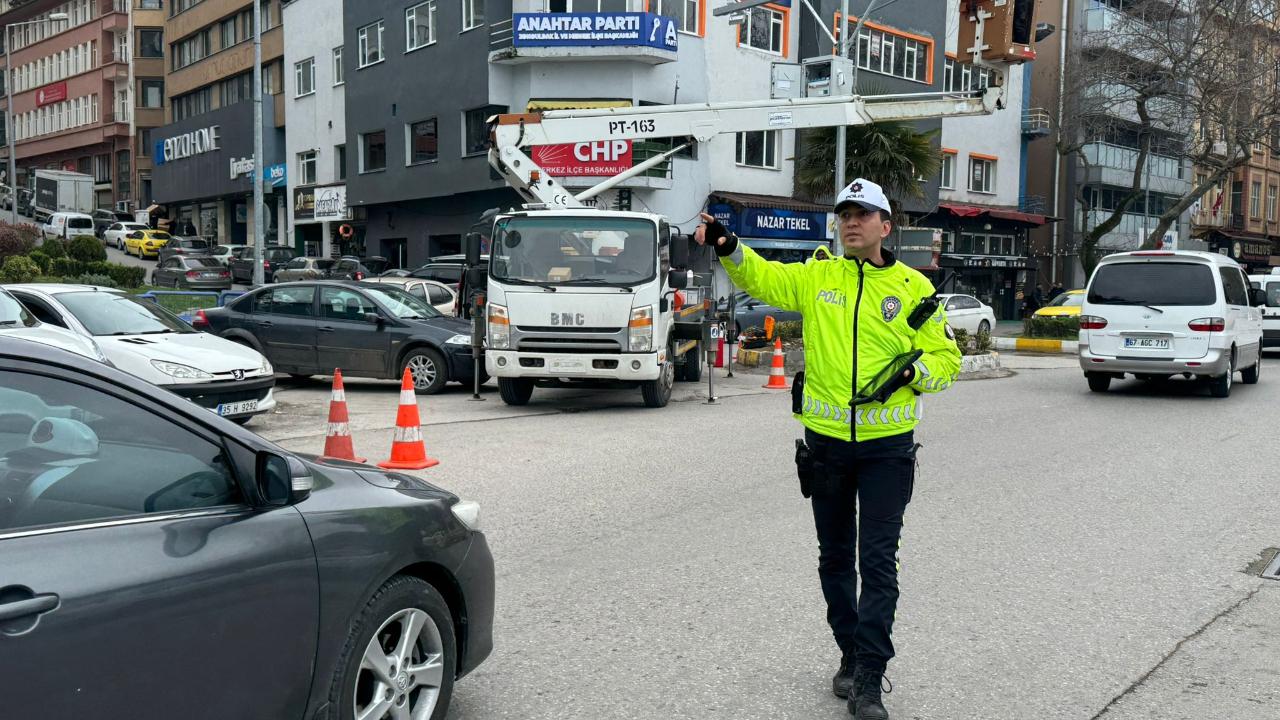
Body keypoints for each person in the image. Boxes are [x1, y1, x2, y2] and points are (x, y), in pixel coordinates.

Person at [695, 179, 960, 720]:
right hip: (828, 444)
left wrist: (915, 371)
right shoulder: (818, 277)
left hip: (888, 448)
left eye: (862, 214)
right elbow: (764, 276)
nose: (850, 222)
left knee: (878, 562)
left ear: (886, 226)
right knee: (835, 557)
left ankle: (869, 675)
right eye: (844, 214)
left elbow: (947, 359)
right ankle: (848, 650)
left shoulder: (913, 290)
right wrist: (727, 246)